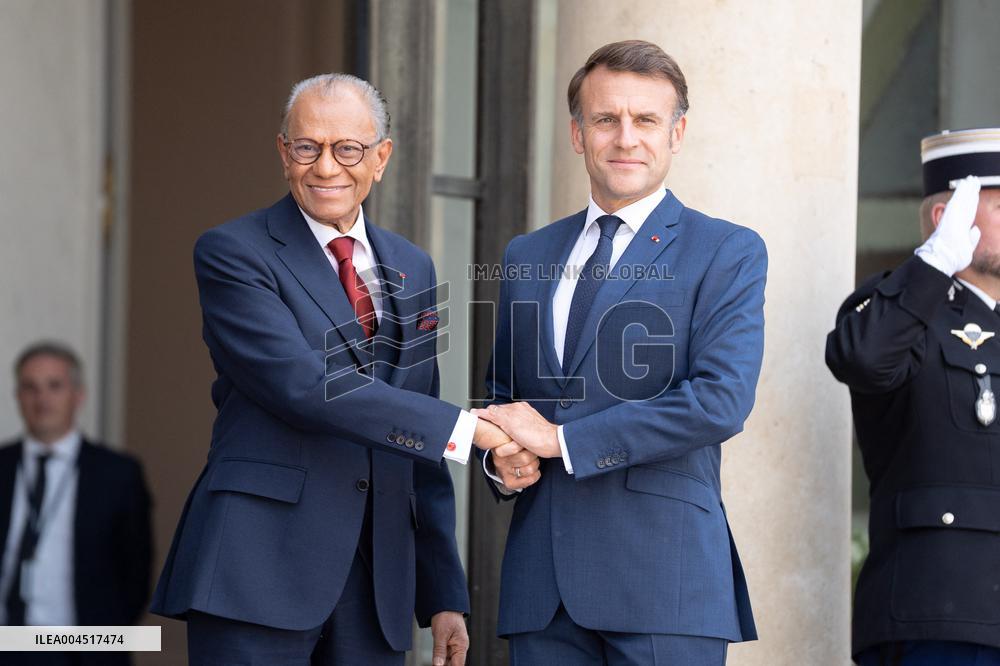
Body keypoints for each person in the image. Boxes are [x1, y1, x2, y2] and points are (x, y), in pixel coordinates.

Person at [150, 73, 509, 666]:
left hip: (377, 586)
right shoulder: (234, 252)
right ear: (282, 151)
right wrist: (471, 431)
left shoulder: (413, 267)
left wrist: (443, 591)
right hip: (257, 568)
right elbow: (305, 387)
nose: (326, 167)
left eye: (348, 148)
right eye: (306, 147)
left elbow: (417, 440)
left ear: (381, 158)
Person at [473, 40, 766, 665]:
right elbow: (504, 399)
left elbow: (720, 401)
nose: (625, 137)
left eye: (646, 120)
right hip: (542, 590)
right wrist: (504, 461)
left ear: (677, 133)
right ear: (578, 134)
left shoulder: (726, 251)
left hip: (665, 583)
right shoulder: (528, 254)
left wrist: (559, 442)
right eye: (606, 119)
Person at [827, 127, 1000, 665]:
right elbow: (862, 358)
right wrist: (931, 266)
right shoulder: (903, 312)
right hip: (942, 614)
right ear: (945, 217)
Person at [0, 342, 152, 666]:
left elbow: (136, 573)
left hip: (81, 651)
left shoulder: (117, 474)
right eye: (30, 387)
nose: (42, 399)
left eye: (54, 386)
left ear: (78, 394)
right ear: (17, 396)